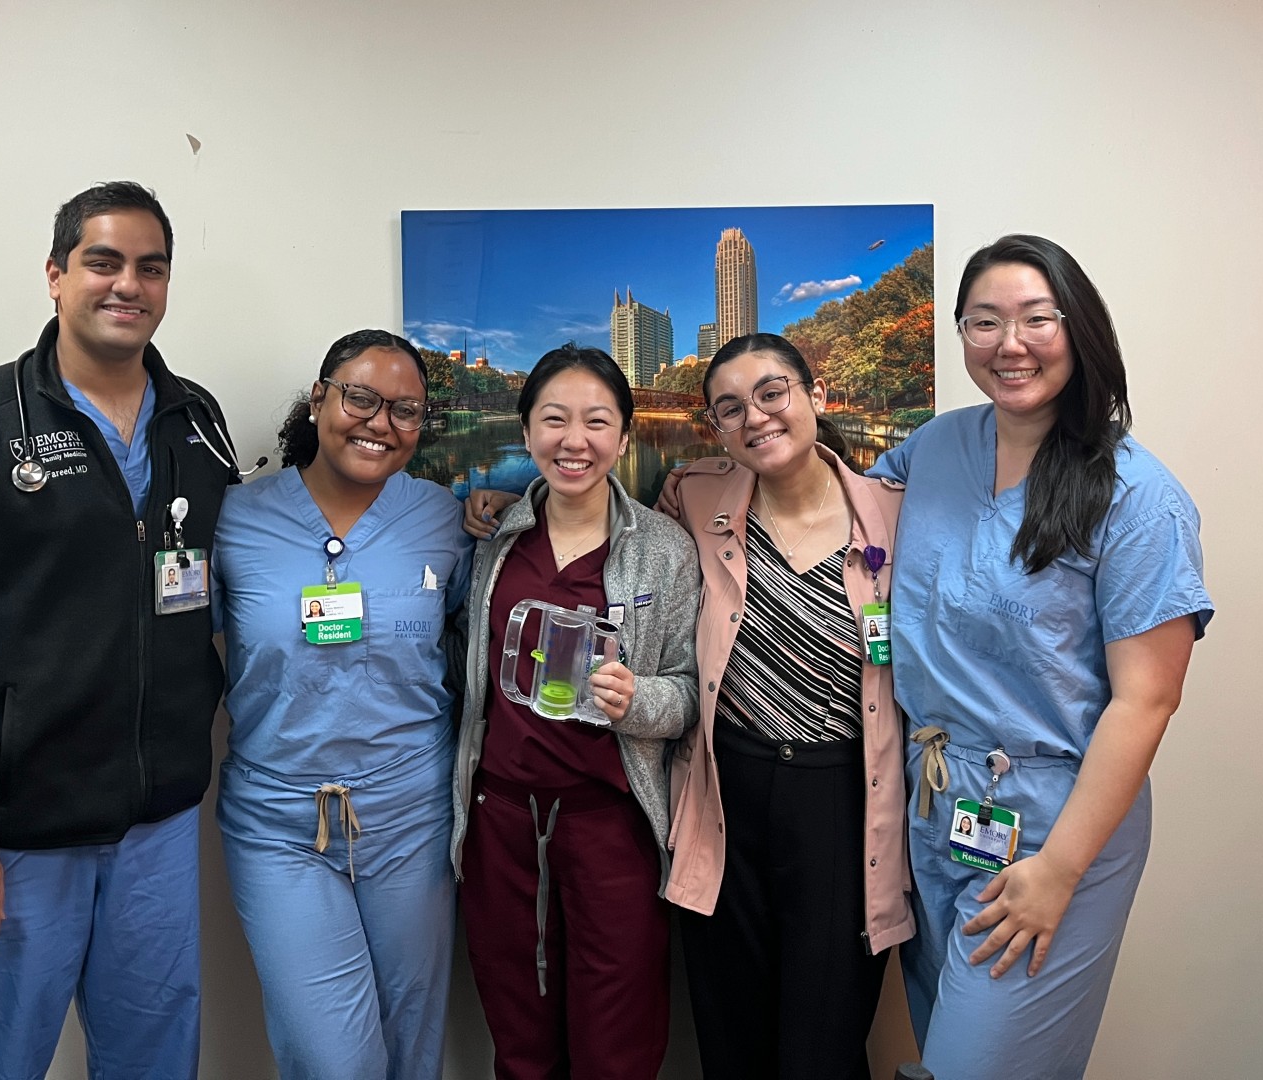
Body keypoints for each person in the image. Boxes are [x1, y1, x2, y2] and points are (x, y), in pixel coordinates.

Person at [0, 181, 247, 1079]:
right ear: (55, 275)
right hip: (13, 838)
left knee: (155, 1065)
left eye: (150, 268)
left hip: (156, 828)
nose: (129, 286)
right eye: (103, 262)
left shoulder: (198, 424)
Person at [872, 235, 1214, 1079]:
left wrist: (1059, 870)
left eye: (1035, 319)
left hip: (1054, 825)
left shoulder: (1139, 499)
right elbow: (822, 511)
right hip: (935, 805)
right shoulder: (936, 448)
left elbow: (1147, 702)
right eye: (983, 323)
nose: (1008, 344)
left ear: (1080, 327)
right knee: (950, 1047)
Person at [213, 329, 473, 1079]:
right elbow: (174, 648)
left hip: (413, 818)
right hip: (279, 825)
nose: (379, 422)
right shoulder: (235, 521)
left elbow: (466, 634)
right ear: (320, 397)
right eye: (360, 397)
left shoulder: (443, 520)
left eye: (405, 410)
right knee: (335, 1061)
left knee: (411, 1041)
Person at [658, 333, 914, 1080]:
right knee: (730, 1037)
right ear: (715, 428)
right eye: (730, 408)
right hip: (724, 794)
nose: (757, 418)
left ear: (816, 396)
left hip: (842, 801)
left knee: (822, 1049)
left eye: (773, 394)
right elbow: (610, 527)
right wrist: (519, 498)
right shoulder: (693, 495)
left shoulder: (894, 517)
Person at [451, 344, 699, 1080]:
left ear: (624, 437)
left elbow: (689, 694)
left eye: (597, 421)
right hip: (501, 821)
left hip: (610, 823)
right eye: (554, 419)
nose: (575, 441)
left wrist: (636, 700)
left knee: (617, 1041)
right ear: (526, 431)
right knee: (519, 1032)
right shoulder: (493, 540)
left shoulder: (663, 551)